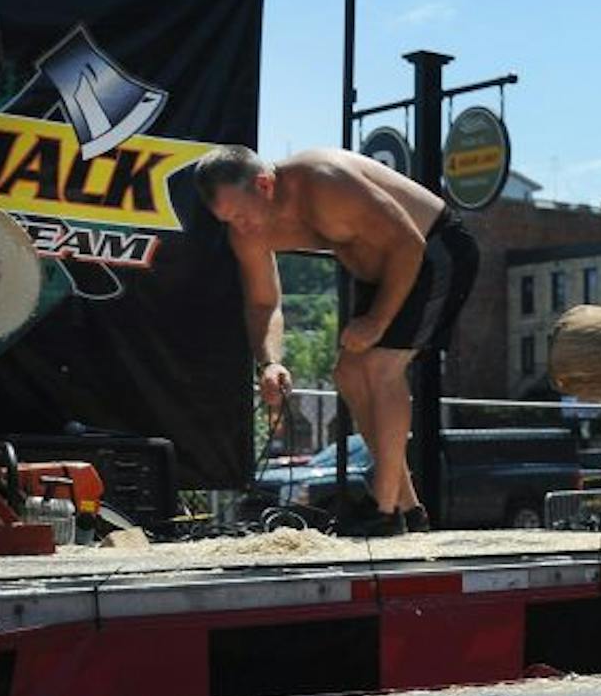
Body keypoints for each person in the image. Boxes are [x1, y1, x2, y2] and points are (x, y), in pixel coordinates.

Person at [192, 144, 481, 537]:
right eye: (228, 220)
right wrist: (270, 362)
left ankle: (383, 510)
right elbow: (263, 304)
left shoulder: (324, 182)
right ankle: (408, 508)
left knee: (380, 367)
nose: (240, 228)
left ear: (264, 185)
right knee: (348, 374)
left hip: (432, 248)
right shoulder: (245, 233)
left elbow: (409, 243)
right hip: (381, 270)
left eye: (241, 215)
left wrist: (377, 321)